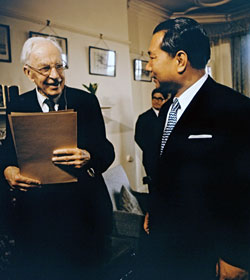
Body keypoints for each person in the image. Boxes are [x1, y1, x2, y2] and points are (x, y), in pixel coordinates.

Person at [137, 17, 250, 280]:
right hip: (162, 245)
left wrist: (236, 255)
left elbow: (244, 189)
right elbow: (164, 170)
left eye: (152, 58)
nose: (148, 66)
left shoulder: (236, 108)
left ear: (179, 59)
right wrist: (153, 210)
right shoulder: (166, 110)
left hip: (204, 253)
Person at [1, 37, 115, 280]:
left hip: (84, 217)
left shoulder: (85, 101)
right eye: (45, 68)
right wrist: (7, 170)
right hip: (37, 220)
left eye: (59, 66)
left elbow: (107, 151)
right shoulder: (17, 104)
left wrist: (90, 156)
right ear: (28, 73)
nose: (55, 75)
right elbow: (7, 154)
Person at [134, 88, 168, 182]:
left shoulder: (169, 116)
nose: (156, 101)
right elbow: (138, 137)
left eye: (160, 99)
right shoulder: (143, 117)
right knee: (153, 187)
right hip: (151, 158)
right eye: (154, 98)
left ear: (165, 100)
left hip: (168, 158)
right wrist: (151, 149)